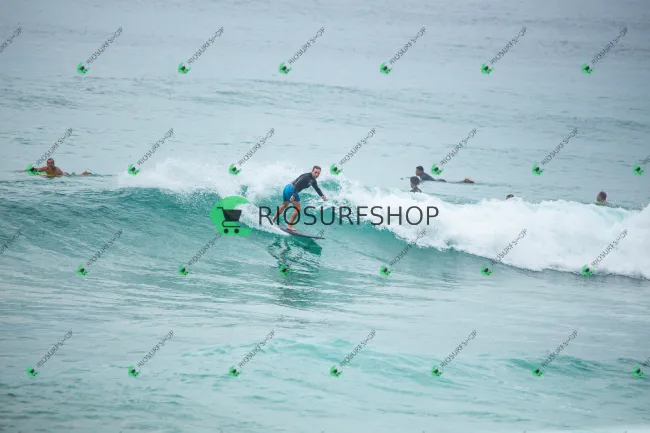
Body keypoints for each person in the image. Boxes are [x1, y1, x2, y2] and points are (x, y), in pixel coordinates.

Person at [273, 166, 326, 231]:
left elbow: (317, 188)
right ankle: (289, 226)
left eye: (318, 173)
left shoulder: (313, 180)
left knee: (285, 205)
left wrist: (322, 195)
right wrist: (293, 195)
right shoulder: (306, 177)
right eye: (315, 172)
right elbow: (296, 185)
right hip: (291, 189)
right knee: (298, 208)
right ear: (312, 171)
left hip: (287, 188)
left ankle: (273, 219)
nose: (317, 174)